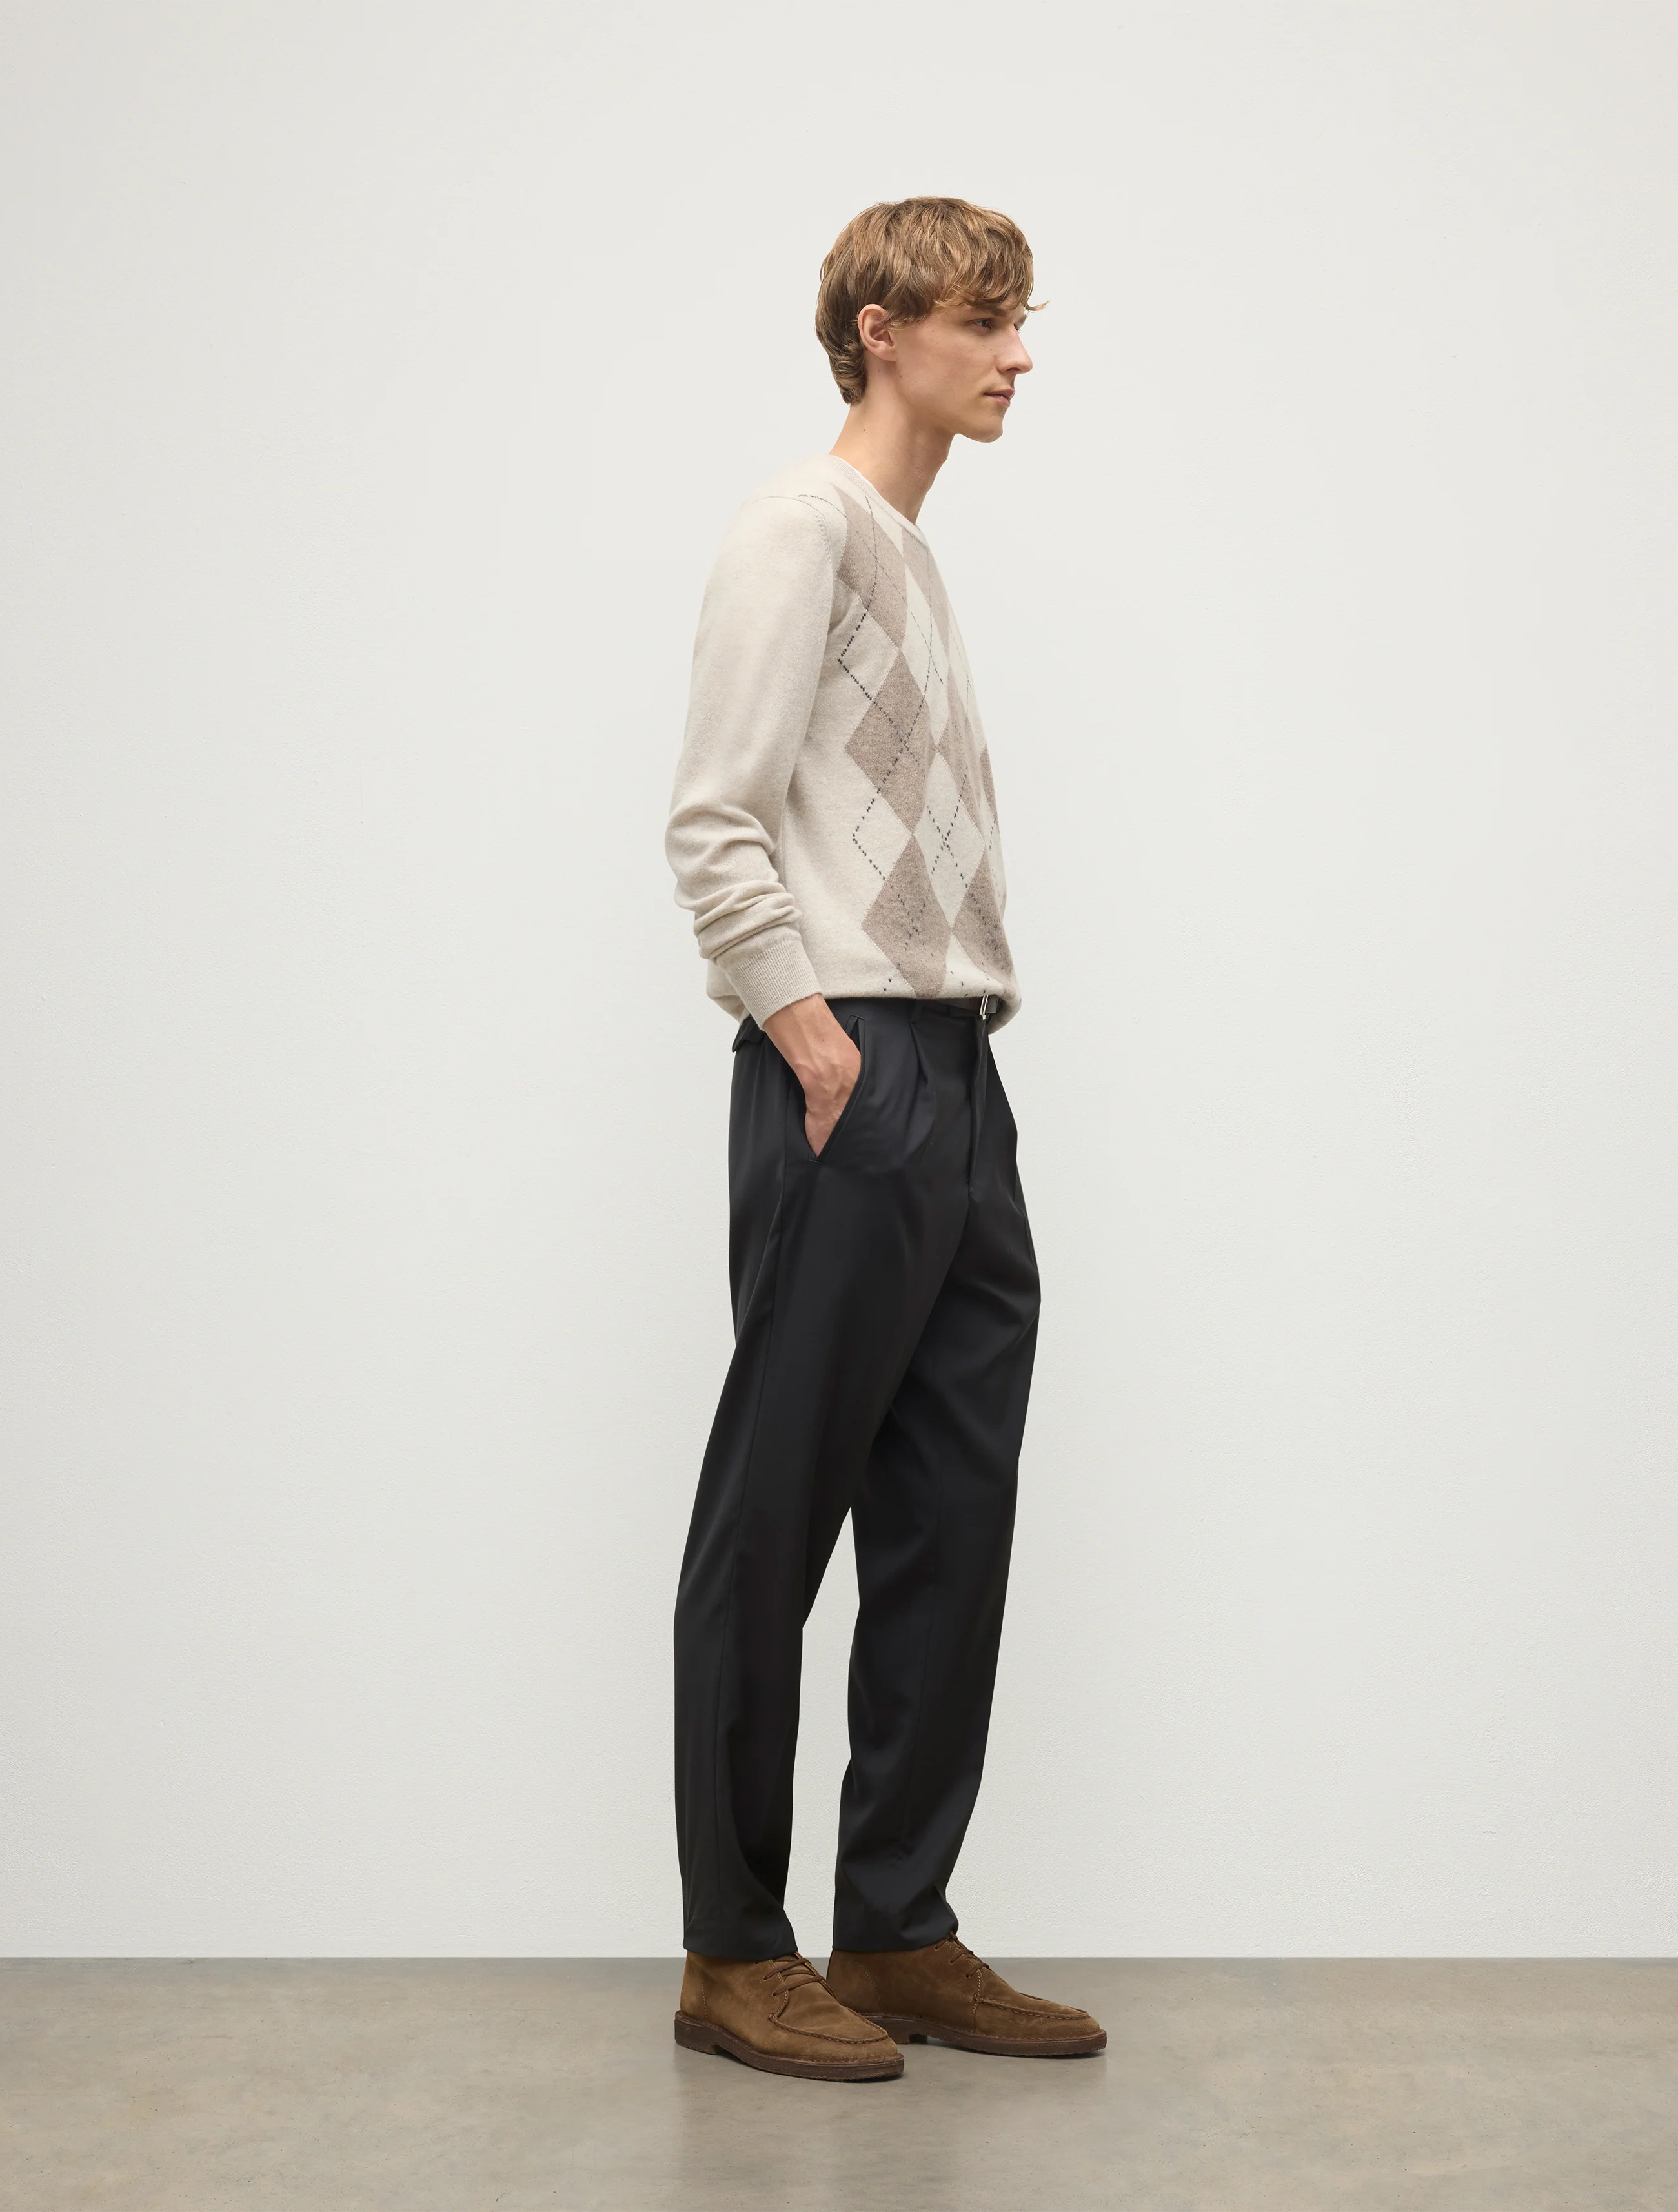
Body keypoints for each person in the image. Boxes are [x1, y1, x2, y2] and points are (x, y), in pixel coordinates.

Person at [662, 197, 1105, 2083]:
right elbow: (712, 818)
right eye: (982, 320)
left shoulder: (908, 554)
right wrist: (805, 1028)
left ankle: (898, 1930)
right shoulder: (804, 524)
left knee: (952, 1510)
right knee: (776, 1510)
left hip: (955, 1067)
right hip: (850, 1066)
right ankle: (731, 1952)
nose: (1016, 353)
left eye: (1017, 318)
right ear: (878, 329)